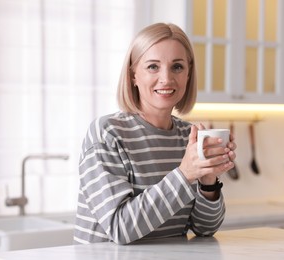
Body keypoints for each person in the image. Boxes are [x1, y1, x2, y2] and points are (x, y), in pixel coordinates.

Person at [74, 23, 237, 245]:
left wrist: (207, 180)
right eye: (153, 67)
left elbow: (204, 228)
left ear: (188, 74)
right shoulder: (107, 133)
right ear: (133, 75)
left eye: (177, 67)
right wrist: (185, 173)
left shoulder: (187, 136)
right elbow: (120, 228)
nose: (166, 78)